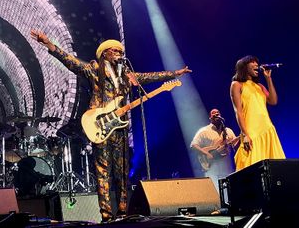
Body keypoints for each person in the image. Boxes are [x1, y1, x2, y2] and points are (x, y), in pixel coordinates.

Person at [31, 30, 191, 222]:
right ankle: (106, 216)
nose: (118, 53)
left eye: (120, 51)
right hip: (100, 125)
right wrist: (48, 43)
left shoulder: (126, 75)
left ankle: (123, 214)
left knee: (122, 171)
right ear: (104, 53)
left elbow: (150, 76)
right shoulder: (93, 69)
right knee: (103, 171)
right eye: (114, 50)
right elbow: (71, 62)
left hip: (119, 128)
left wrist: (175, 73)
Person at [230, 55, 285, 171]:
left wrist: (268, 79)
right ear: (244, 66)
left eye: (257, 63)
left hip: (266, 129)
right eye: (253, 63)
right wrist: (245, 134)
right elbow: (238, 111)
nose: (256, 65)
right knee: (252, 168)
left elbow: (273, 101)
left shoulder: (259, 86)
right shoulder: (237, 85)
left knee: (273, 169)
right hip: (251, 132)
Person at [190, 108, 238, 191]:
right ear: (210, 118)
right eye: (213, 113)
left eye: (217, 113)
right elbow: (193, 145)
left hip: (228, 168)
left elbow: (235, 146)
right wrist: (207, 154)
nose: (216, 114)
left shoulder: (228, 131)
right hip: (213, 169)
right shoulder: (204, 131)